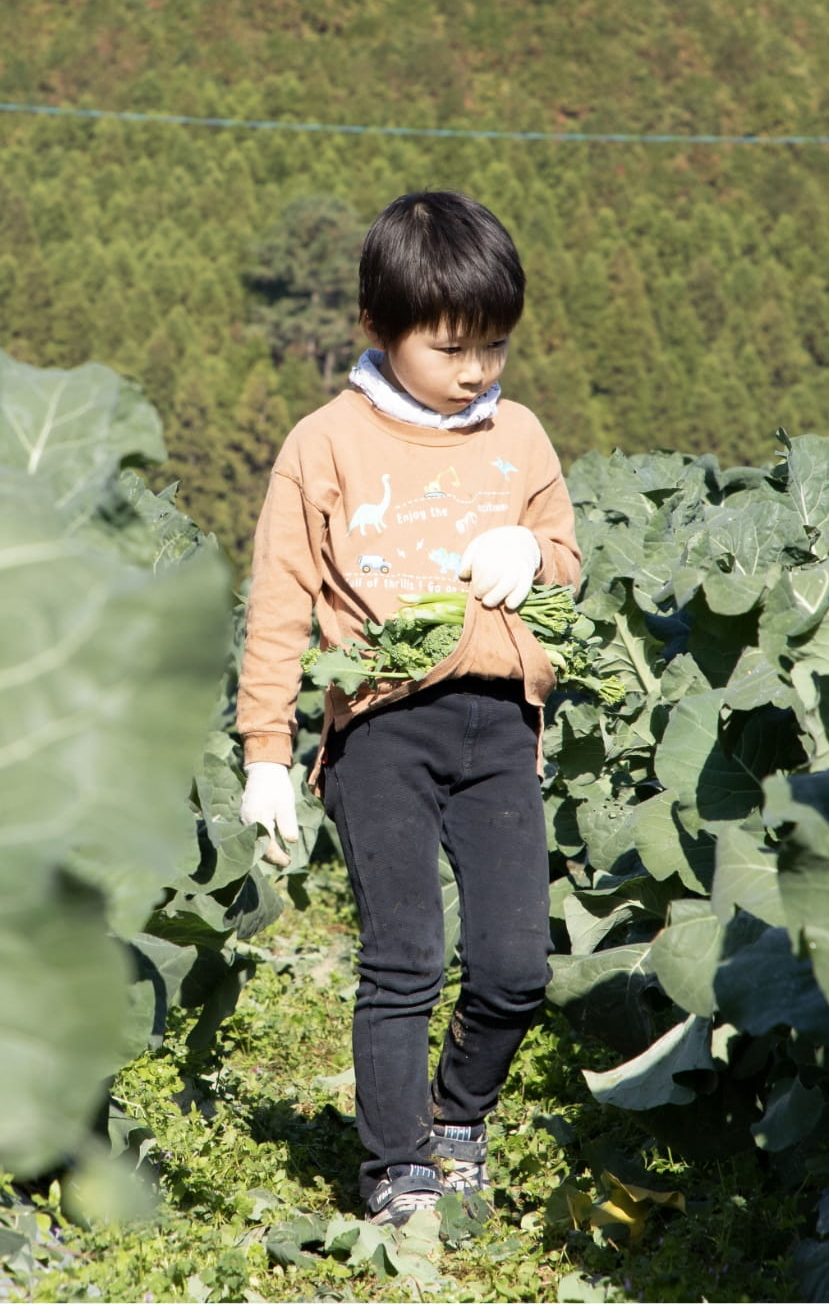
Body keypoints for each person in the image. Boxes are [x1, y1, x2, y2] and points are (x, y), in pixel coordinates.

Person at [235, 190, 583, 1226]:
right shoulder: (325, 443)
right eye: (451, 346)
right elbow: (278, 602)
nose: (478, 368)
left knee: (518, 966)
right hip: (379, 725)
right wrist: (265, 753)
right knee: (405, 958)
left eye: (495, 345)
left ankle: (458, 1115)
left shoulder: (518, 437)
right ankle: (398, 1167)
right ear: (376, 331)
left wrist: (535, 552)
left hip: (498, 723)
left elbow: (564, 561)